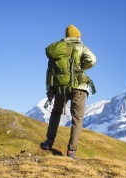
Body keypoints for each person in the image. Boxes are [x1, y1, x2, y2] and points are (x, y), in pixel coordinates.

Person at [40, 24, 96, 159]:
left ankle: (49, 142)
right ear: (77, 36)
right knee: (77, 119)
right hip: (79, 87)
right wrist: (80, 68)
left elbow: (51, 71)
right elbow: (92, 60)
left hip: (61, 87)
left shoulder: (58, 49)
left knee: (56, 112)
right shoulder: (82, 47)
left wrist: (51, 89)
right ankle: (71, 151)